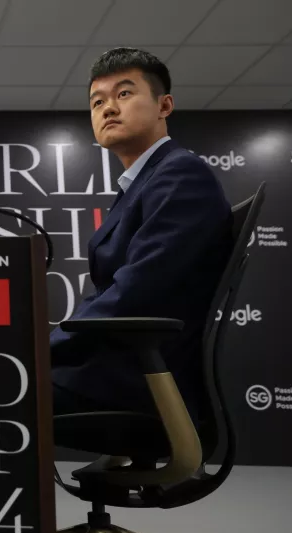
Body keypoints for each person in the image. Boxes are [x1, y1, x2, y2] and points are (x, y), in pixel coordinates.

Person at [50, 48, 232, 419]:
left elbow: (133, 293)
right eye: (97, 101)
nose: (108, 108)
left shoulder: (180, 175)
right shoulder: (143, 183)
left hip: (139, 384)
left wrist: (43, 349)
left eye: (124, 94)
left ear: (164, 106)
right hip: (117, 372)